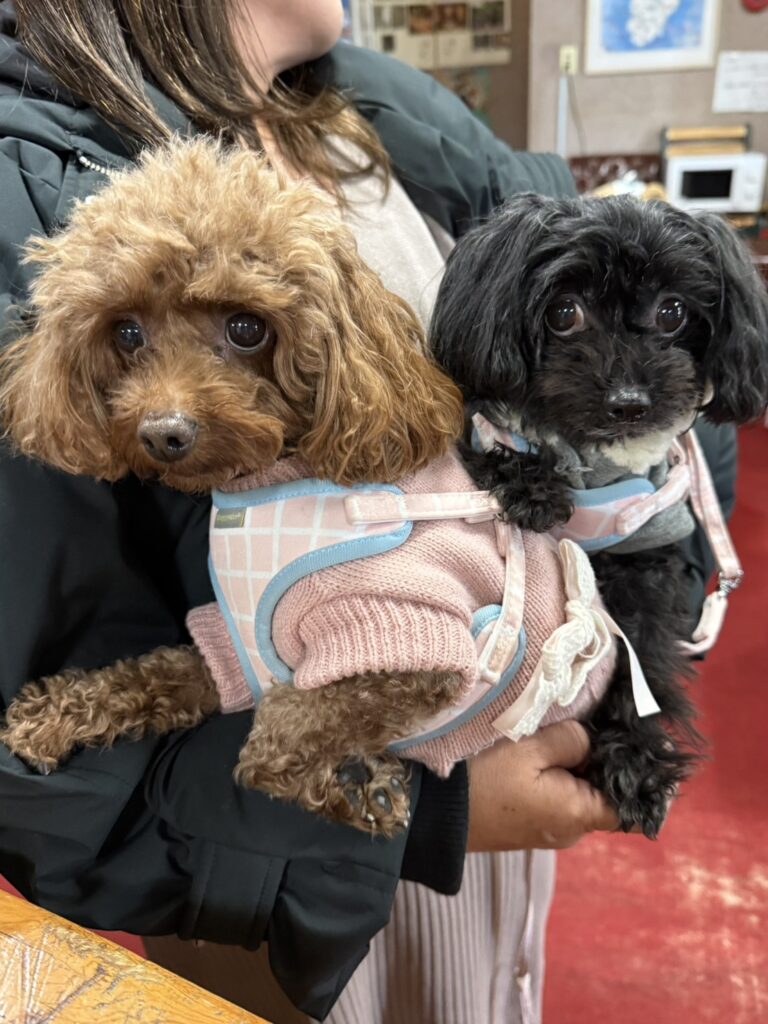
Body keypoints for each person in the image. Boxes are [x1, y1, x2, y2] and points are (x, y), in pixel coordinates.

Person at [0, 1, 736, 1022]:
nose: (169, 404)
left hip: (469, 722)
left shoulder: (375, 112)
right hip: (292, 870)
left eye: (244, 333)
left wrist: (660, 571)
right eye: (131, 338)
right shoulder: (34, 172)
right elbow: (199, 671)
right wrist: (433, 817)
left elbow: (660, 374)